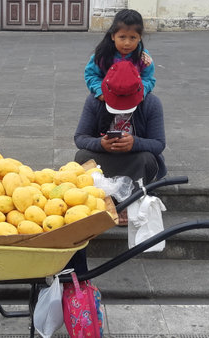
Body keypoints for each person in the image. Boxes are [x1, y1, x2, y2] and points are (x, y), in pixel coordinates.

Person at [66, 60, 166, 274]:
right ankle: (106, 200)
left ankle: (126, 203)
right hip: (105, 158)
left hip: (136, 159)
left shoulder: (151, 103)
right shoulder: (94, 102)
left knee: (147, 159)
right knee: (82, 157)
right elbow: (80, 138)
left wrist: (135, 143)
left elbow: (159, 144)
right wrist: (100, 144)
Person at [85, 9, 156, 102]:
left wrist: (141, 92)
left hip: (134, 99)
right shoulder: (102, 56)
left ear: (140, 37)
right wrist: (101, 92)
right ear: (113, 36)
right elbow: (92, 75)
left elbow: (148, 79)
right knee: (91, 101)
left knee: (153, 101)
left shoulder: (144, 58)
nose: (127, 43)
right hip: (107, 98)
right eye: (122, 37)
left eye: (133, 37)